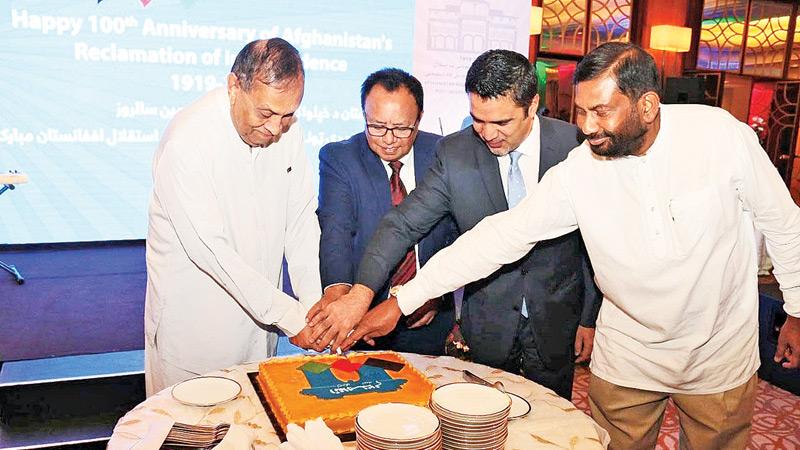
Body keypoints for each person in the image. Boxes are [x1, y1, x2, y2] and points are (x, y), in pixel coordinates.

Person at [345, 42, 800, 449]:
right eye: (581, 112)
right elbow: (499, 237)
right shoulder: (580, 170)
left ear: (647, 104)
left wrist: (796, 312)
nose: (586, 126)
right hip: (628, 354)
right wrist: (404, 300)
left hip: (718, 351)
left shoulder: (720, 136)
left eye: (601, 111)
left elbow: (783, 223)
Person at [308, 50, 602, 399]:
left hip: (557, 320)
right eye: (478, 119)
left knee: (551, 419)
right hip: (489, 324)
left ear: (532, 104)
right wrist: (361, 293)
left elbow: (590, 242)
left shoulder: (576, 146)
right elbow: (402, 224)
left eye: (501, 123)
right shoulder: (457, 152)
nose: (488, 133)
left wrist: (588, 316)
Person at [144, 38, 322, 395]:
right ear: (233, 87)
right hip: (198, 334)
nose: (275, 128)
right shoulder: (188, 142)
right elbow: (212, 252)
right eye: (266, 113)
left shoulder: (289, 130)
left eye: (287, 115)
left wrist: (314, 310)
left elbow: (300, 219)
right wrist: (292, 318)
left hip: (263, 329)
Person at [314, 68, 456, 355]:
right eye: (376, 126)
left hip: (427, 317)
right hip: (362, 316)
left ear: (419, 118)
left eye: (402, 128)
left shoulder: (444, 153)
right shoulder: (340, 158)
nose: (389, 139)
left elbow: (454, 234)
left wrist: (433, 295)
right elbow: (336, 232)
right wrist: (339, 295)